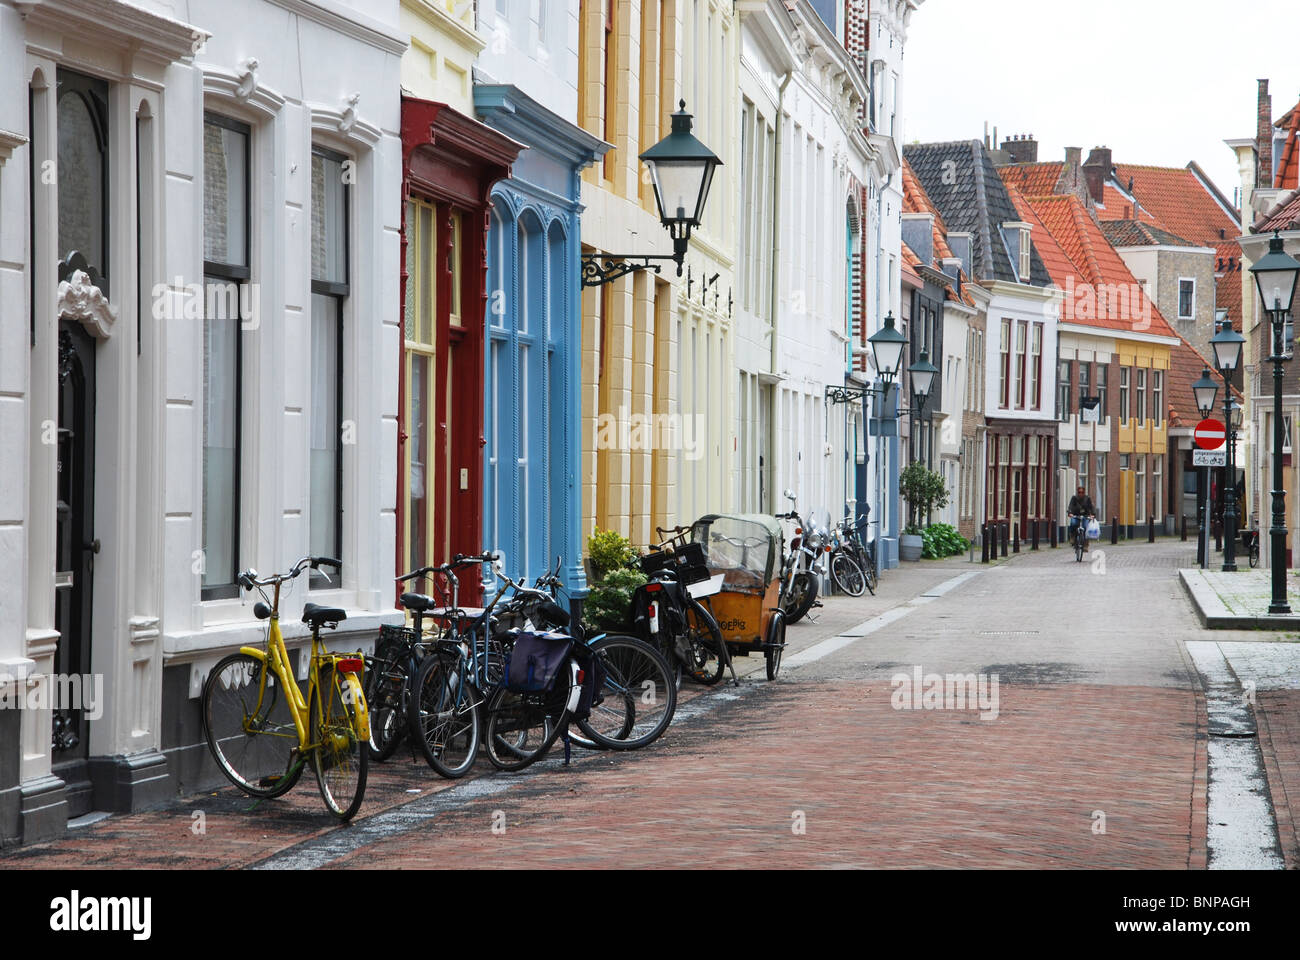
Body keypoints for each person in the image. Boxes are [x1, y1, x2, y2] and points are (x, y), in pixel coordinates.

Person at [1067, 485, 1095, 552]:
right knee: (1073, 523)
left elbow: (1091, 507)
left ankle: (1085, 545)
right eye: (1079, 492)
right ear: (1077, 492)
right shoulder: (1074, 498)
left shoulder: (1087, 498)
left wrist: (1093, 514)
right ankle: (1072, 537)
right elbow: (1070, 506)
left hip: (1085, 516)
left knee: (1085, 527)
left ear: (1084, 492)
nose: (1080, 494)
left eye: (1082, 492)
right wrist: (1070, 513)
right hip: (1076, 516)